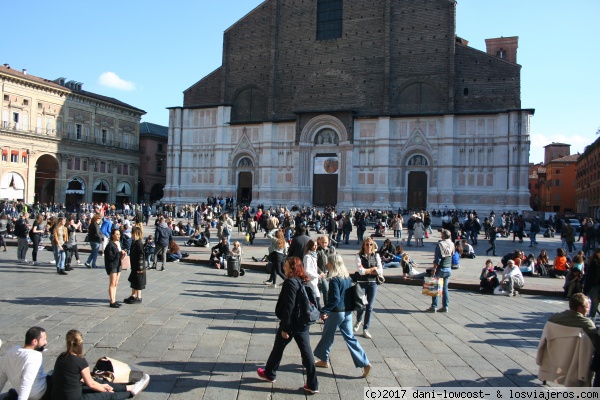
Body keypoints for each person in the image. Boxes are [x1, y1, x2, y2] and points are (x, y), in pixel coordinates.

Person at [257, 257, 319, 394]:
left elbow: (289, 307)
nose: (284, 268)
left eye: (286, 266)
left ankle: (269, 374)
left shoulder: (290, 282)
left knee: (278, 347)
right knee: (306, 352)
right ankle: (313, 384)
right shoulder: (305, 280)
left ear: (292, 268)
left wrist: (285, 327)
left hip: (292, 323)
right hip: (303, 322)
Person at [313, 254, 372, 377]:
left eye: (328, 262)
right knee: (350, 338)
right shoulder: (346, 277)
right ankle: (365, 362)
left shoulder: (334, 279)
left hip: (337, 313)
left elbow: (335, 299)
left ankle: (324, 360)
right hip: (347, 312)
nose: (326, 265)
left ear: (332, 264)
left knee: (327, 336)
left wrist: (324, 310)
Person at [51, 330, 150, 400]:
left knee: (98, 382)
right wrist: (104, 389)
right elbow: (91, 384)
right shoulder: (80, 361)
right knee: (108, 395)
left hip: (57, 396)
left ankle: (129, 387)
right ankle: (131, 393)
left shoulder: (61, 357)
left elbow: (82, 380)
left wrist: (102, 385)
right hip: (76, 398)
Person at [0, 327, 48, 400]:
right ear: (35, 341)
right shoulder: (35, 356)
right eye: (44, 340)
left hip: (21, 391)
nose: (46, 342)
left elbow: (2, 376)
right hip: (39, 393)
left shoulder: (12, 351)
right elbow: (26, 383)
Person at [354, 238, 383, 339]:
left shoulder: (376, 256)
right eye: (367, 244)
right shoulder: (359, 256)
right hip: (361, 283)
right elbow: (361, 271)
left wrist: (369, 270)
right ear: (363, 245)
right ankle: (359, 320)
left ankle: (365, 329)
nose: (369, 247)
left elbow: (380, 271)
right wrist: (373, 269)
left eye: (371, 244)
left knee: (369, 307)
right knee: (360, 305)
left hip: (373, 283)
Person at [426, 229, 455, 313]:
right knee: (445, 288)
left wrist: (434, 269)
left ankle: (434, 306)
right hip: (448, 268)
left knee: (434, 287)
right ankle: (445, 306)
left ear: (443, 236)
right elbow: (453, 254)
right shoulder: (452, 243)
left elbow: (437, 259)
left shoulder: (440, 244)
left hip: (440, 268)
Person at [105, 228, 126, 308]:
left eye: (119, 234)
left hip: (118, 264)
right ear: (112, 235)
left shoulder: (119, 243)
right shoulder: (110, 245)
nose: (118, 236)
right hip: (112, 265)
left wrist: (122, 254)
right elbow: (110, 257)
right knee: (112, 283)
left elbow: (118, 255)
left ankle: (114, 299)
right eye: (116, 234)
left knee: (116, 283)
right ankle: (112, 301)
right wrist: (119, 253)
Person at [125, 226, 146, 304]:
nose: (131, 234)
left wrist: (140, 268)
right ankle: (133, 295)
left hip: (138, 266)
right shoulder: (135, 241)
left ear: (135, 233)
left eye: (132, 233)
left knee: (138, 281)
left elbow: (141, 255)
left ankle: (139, 297)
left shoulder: (139, 243)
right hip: (134, 266)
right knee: (133, 280)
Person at [303, 240, 323, 310]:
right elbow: (307, 270)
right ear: (310, 246)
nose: (315, 247)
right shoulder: (307, 257)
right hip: (310, 281)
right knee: (316, 298)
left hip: (315, 280)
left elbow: (314, 268)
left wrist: (319, 274)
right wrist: (317, 275)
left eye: (316, 245)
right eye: (314, 245)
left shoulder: (314, 255)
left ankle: (317, 313)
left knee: (314, 299)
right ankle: (322, 315)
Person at [584, 249, 600, 319]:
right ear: (597, 253)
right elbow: (590, 276)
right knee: (594, 303)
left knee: (595, 303)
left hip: (597, 285)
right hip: (594, 286)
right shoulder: (594, 262)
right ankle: (591, 319)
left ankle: (592, 318)